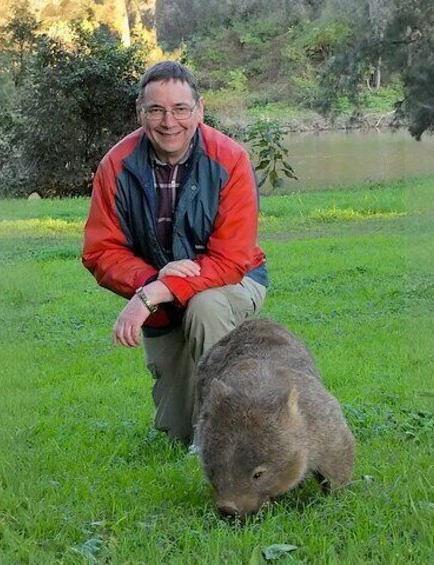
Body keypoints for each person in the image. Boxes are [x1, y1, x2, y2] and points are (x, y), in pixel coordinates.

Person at [82, 61, 268, 445]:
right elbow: (101, 250)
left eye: (181, 109)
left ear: (199, 110)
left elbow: (232, 260)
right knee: (179, 432)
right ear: (140, 113)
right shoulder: (115, 165)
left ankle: (230, 436)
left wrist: (152, 293)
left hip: (234, 280)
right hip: (160, 299)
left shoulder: (230, 159)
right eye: (156, 110)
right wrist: (152, 281)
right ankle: (203, 429)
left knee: (205, 306)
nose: (170, 122)